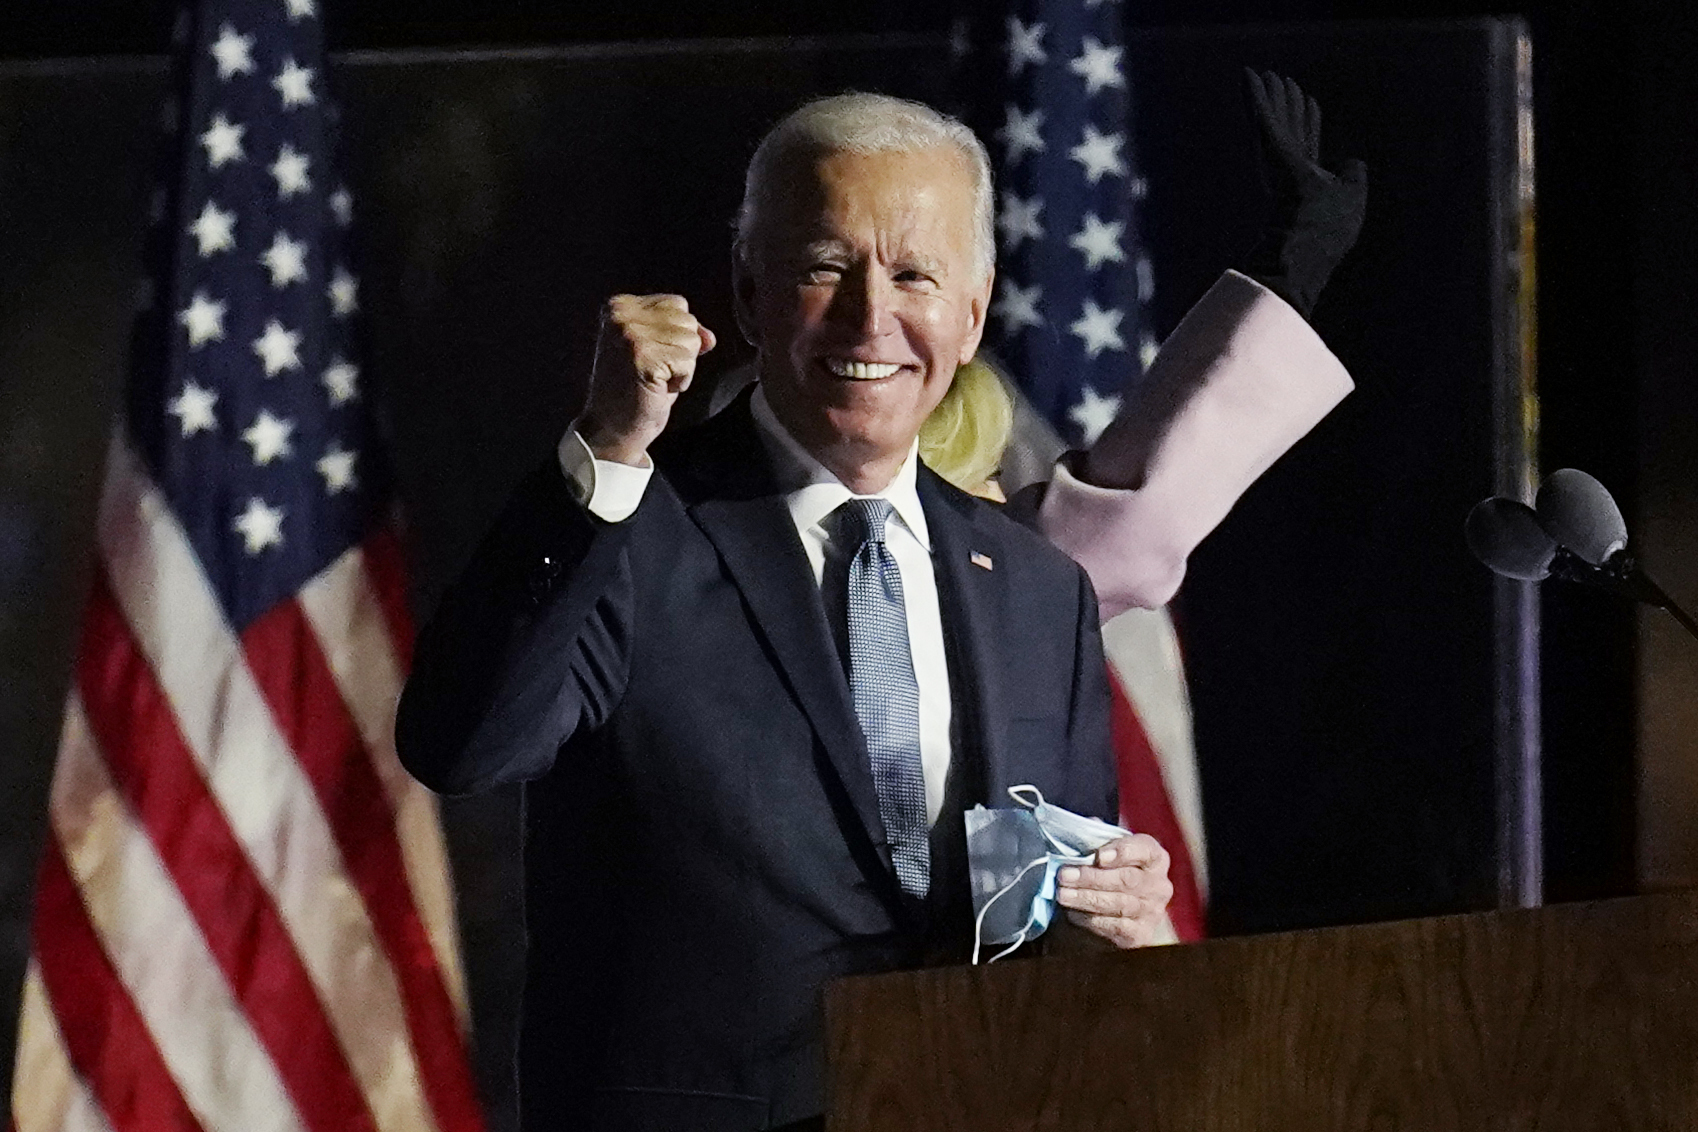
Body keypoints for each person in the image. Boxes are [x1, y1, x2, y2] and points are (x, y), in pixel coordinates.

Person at [398, 93, 1171, 1132]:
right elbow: (461, 742)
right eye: (824, 266)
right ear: (750, 289)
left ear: (973, 313)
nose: (870, 316)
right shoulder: (631, 528)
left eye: (913, 275)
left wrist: (1107, 913)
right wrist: (608, 450)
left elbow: (1041, 921)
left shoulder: (1036, 589)